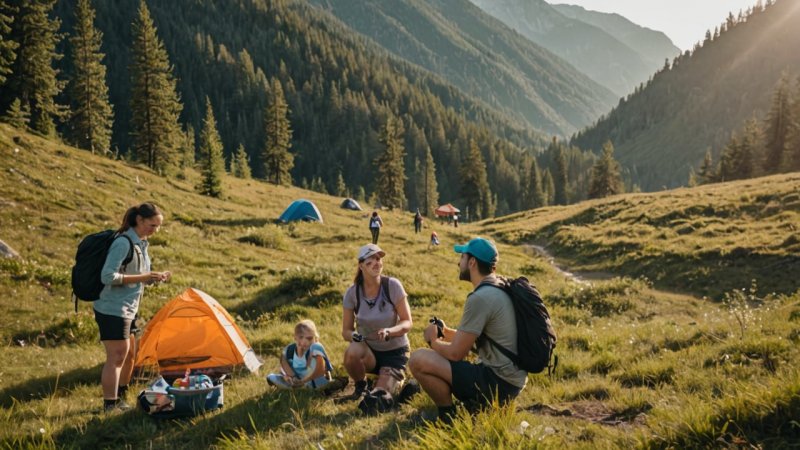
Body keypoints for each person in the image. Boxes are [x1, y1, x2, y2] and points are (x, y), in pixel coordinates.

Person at [408, 237, 525, 424]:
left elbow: (456, 353)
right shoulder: (498, 287)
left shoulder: (481, 298)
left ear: (472, 262)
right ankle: (474, 406)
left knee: (418, 359)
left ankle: (448, 417)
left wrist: (433, 341)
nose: (458, 262)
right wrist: (445, 331)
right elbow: (476, 338)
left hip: (498, 383)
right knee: (439, 358)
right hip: (510, 380)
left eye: (462, 257)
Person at [95, 202, 171, 413]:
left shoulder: (141, 243)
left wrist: (153, 277)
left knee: (130, 357)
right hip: (112, 308)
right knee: (117, 356)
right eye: (152, 225)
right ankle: (109, 405)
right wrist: (144, 277)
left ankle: (121, 397)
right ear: (139, 220)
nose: (155, 230)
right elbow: (107, 276)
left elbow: (135, 276)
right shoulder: (124, 242)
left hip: (130, 308)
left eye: (158, 226)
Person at [340, 244, 413, 412]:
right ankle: (361, 386)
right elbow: (346, 331)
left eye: (378, 259)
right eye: (370, 260)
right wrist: (355, 336)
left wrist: (389, 331)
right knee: (352, 351)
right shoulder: (352, 293)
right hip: (370, 353)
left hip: (395, 352)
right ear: (361, 266)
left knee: (380, 396)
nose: (376, 263)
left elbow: (407, 322)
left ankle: (394, 382)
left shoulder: (392, 286)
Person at [267, 320, 345, 392]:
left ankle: (302, 388)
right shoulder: (290, 349)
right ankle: (294, 386)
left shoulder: (316, 347)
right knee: (271, 377)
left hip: (315, 380)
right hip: (298, 380)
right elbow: (283, 363)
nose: (305, 342)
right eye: (301, 337)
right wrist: (292, 377)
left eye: (309, 338)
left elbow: (321, 371)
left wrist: (304, 381)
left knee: (318, 383)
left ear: (315, 338)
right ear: (295, 338)